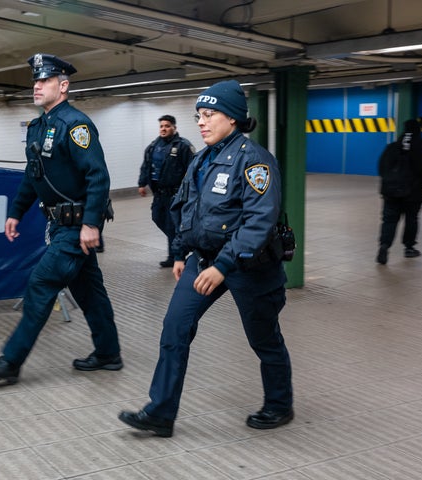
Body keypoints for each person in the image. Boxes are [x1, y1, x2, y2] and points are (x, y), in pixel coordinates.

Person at [118, 80, 293, 437]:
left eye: (210, 114)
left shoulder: (255, 161)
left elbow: (259, 221)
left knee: (264, 338)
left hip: (249, 266)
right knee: (175, 327)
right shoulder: (202, 159)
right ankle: (160, 413)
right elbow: (187, 207)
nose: (202, 121)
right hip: (204, 259)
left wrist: (223, 266)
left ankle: (279, 404)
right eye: (199, 115)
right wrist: (182, 250)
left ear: (233, 118)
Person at [0, 53, 122, 384]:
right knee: (90, 293)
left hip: (76, 225)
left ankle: (10, 362)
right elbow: (33, 176)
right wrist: (16, 212)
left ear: (64, 85)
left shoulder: (76, 125)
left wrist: (90, 224)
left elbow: (97, 177)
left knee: (41, 283)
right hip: (59, 224)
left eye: (45, 80)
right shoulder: (37, 127)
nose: (37, 85)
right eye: (36, 80)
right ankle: (108, 353)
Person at [376, 119, 422, 264]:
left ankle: (384, 246)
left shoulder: (391, 148)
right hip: (413, 193)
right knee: (411, 220)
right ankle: (409, 248)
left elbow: (381, 168)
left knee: (389, 220)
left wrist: (389, 183)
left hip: (390, 192)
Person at [138, 115, 196, 267]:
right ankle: (180, 242)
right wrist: (142, 183)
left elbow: (191, 169)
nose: (163, 129)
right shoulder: (153, 146)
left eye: (167, 126)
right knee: (157, 217)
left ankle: (175, 256)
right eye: (161, 126)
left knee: (172, 225)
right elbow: (146, 166)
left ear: (174, 128)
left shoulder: (183, 146)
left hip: (175, 194)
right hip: (159, 194)